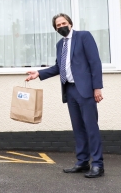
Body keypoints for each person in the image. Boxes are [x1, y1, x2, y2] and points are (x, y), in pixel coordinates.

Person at [25, 13, 104, 178]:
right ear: (55, 29)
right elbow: (57, 67)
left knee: (91, 127)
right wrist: (38, 73)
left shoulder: (84, 36)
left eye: (63, 23)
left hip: (85, 90)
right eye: (58, 25)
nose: (61, 26)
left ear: (70, 23)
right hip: (70, 90)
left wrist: (97, 88)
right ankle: (82, 162)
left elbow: (95, 62)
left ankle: (97, 165)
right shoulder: (60, 44)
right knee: (78, 129)